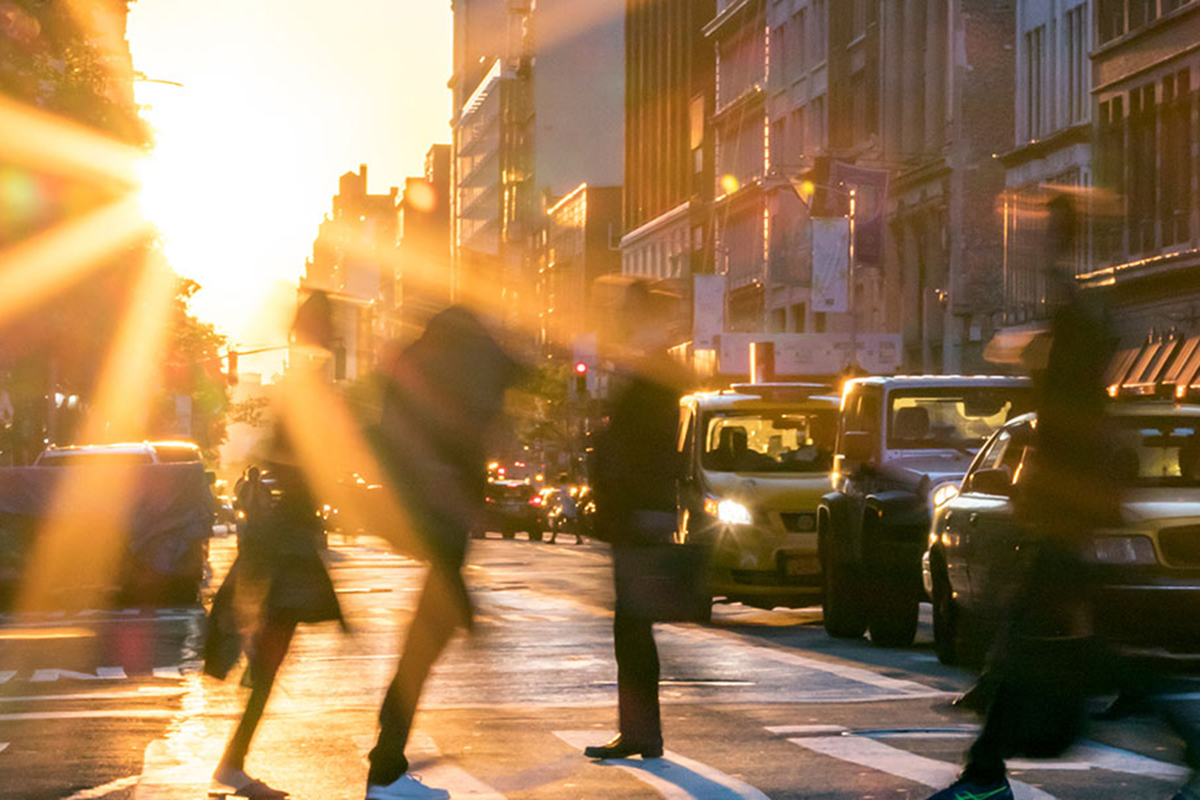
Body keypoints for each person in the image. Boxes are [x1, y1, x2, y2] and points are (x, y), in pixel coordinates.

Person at [925, 194, 1125, 800]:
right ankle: (984, 770)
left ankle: (985, 774)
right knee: (1041, 641)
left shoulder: (1074, 363)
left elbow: (1064, 304)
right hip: (1065, 515)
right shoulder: (1084, 356)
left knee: (1054, 646)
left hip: (1064, 516)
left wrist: (1057, 247)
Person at [364, 306, 519, 800]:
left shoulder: (428, 368)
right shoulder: (449, 380)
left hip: (436, 519)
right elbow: (436, 447)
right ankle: (386, 768)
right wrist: (456, 497)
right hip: (440, 520)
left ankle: (388, 757)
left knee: (424, 640)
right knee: (424, 643)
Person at [583, 281, 686, 761]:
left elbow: (652, 448)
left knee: (634, 623)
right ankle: (641, 731)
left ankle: (642, 732)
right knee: (633, 625)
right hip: (637, 513)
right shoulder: (647, 369)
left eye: (628, 312)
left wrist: (647, 506)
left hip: (639, 514)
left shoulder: (655, 370)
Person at [207, 441, 343, 800]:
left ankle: (231, 763)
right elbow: (264, 561)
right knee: (261, 684)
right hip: (274, 610)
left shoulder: (286, 512)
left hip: (276, 609)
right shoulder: (281, 515)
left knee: (260, 684)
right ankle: (230, 765)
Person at [548, 473, 581, 545]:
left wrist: (569, 504)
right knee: (572, 524)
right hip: (567, 508)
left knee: (557, 522)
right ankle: (579, 539)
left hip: (567, 509)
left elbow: (565, 497)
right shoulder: (566, 487)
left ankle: (553, 539)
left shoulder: (563, 488)